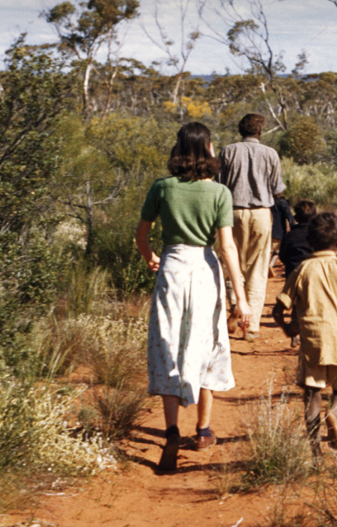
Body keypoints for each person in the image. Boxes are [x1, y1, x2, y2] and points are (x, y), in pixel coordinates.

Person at [136, 122, 251, 473]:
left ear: (178, 150)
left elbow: (142, 234)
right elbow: (227, 246)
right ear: (208, 150)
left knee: (168, 342)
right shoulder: (218, 193)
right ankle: (202, 430)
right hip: (204, 269)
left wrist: (150, 257)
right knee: (206, 342)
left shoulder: (162, 187)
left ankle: (172, 430)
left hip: (171, 265)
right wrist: (241, 298)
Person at [272, 213, 337, 451]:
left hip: (314, 340)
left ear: (309, 241)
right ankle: (334, 414)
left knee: (312, 393)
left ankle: (315, 450)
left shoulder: (302, 270)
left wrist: (288, 329)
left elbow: (278, 310)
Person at [217, 113, 286, 340]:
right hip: (261, 213)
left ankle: (236, 304)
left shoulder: (227, 151)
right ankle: (252, 325)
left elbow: (219, 184)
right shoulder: (270, 154)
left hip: (232, 211)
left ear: (241, 130)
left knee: (232, 260)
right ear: (260, 131)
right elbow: (278, 189)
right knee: (257, 267)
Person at [277, 199, 318, 348]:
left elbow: (282, 255)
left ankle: (295, 334)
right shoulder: (316, 234)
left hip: (293, 274)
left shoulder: (290, 235)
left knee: (296, 305)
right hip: (314, 275)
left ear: (296, 218)